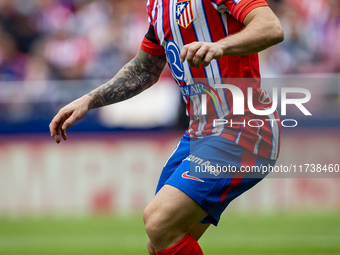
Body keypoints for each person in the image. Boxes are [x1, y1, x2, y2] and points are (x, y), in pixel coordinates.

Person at [49, 0, 284, 254]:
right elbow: (144, 70)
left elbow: (271, 26)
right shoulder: (157, 5)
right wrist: (89, 100)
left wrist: (220, 46)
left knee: (159, 222)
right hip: (199, 133)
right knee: (159, 242)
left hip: (243, 126)